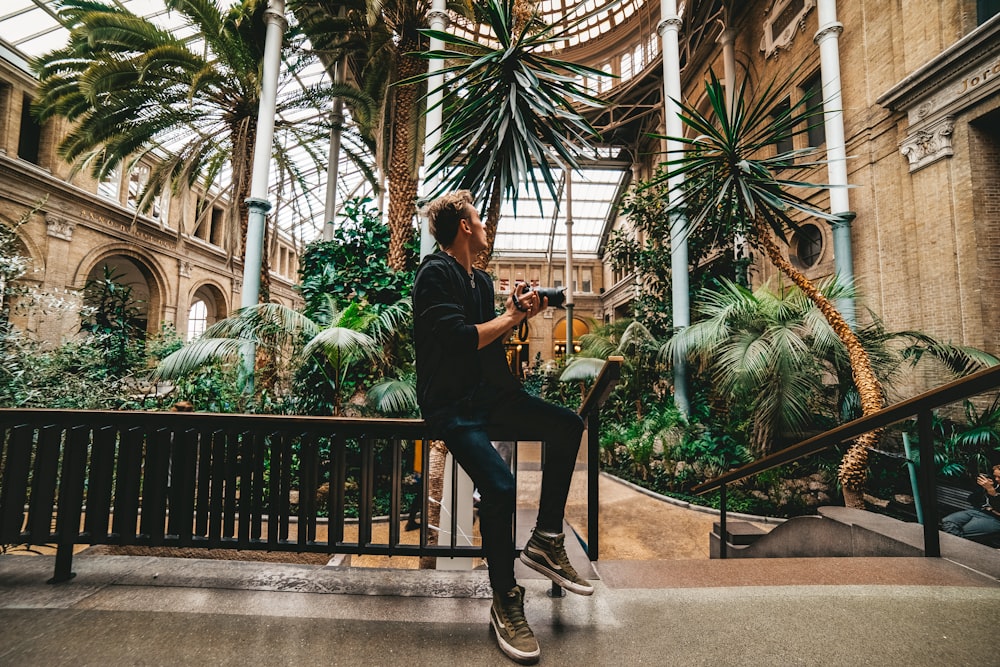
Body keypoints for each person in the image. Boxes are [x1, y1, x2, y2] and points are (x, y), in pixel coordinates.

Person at [413, 190, 591, 664]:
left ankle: (547, 538)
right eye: (479, 218)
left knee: (568, 425)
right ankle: (505, 599)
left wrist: (515, 314)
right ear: (465, 226)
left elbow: (486, 339)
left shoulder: (479, 280)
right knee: (499, 484)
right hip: (451, 407)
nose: (486, 226)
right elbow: (456, 339)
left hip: (488, 397)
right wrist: (512, 316)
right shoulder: (435, 272)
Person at [941, 464, 1000, 544]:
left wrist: (992, 492)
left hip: (996, 519)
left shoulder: (992, 489)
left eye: (999, 477)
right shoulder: (995, 485)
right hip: (979, 511)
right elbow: (971, 499)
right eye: (995, 476)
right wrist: (983, 488)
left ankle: (958, 549)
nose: (997, 479)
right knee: (947, 521)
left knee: (963, 531)